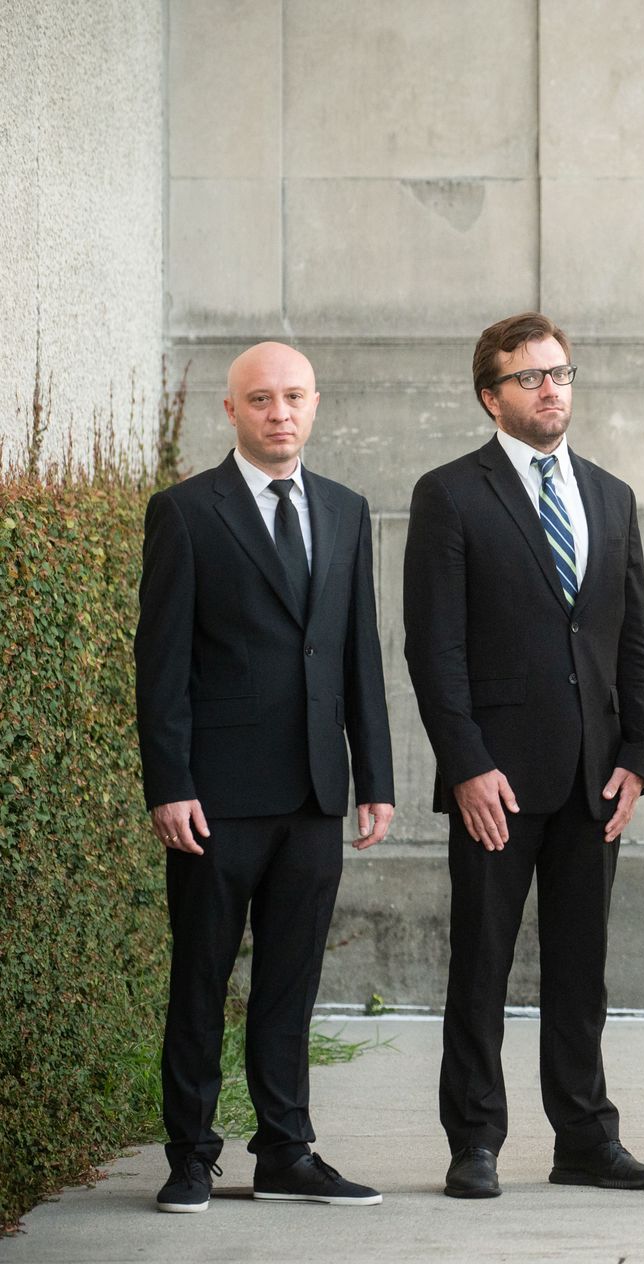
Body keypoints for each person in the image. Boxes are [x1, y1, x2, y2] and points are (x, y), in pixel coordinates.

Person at [404, 311, 644, 1199]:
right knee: (480, 960)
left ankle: (585, 1136)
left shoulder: (610, 493)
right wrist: (466, 764)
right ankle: (474, 1138)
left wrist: (640, 752)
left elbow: (630, 638)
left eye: (561, 373)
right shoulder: (451, 494)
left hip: (596, 776)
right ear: (492, 396)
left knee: (580, 965)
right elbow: (432, 647)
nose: (552, 388)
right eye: (531, 378)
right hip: (497, 781)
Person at [136, 341, 394, 1213]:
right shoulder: (185, 512)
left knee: (291, 984)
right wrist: (169, 782)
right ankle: (191, 1154)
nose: (278, 412)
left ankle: (286, 1149)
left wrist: (377, 778)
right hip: (216, 797)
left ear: (315, 404)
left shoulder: (348, 509)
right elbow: (161, 665)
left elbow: (360, 651)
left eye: (292, 397)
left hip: (318, 793)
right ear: (231, 410)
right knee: (201, 978)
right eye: (260, 399)